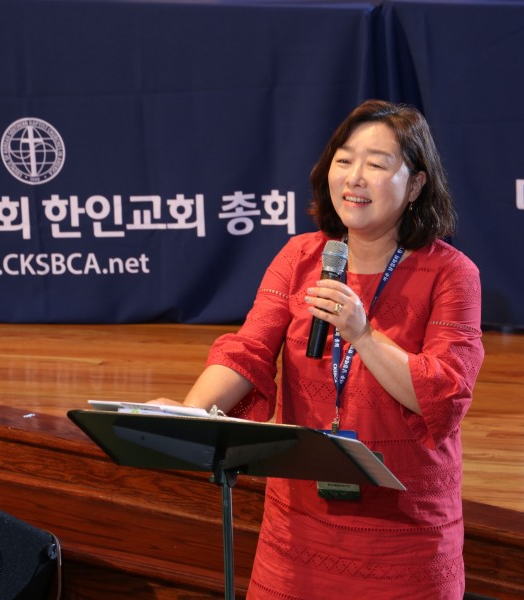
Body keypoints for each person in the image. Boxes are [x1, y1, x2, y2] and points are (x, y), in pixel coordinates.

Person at [155, 99, 484, 599]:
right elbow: (247, 351)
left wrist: (363, 335)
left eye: (377, 164)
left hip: (403, 532)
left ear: (416, 184)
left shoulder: (452, 274)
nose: (355, 177)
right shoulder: (300, 257)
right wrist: (192, 414)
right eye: (344, 160)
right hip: (298, 529)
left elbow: (444, 395)